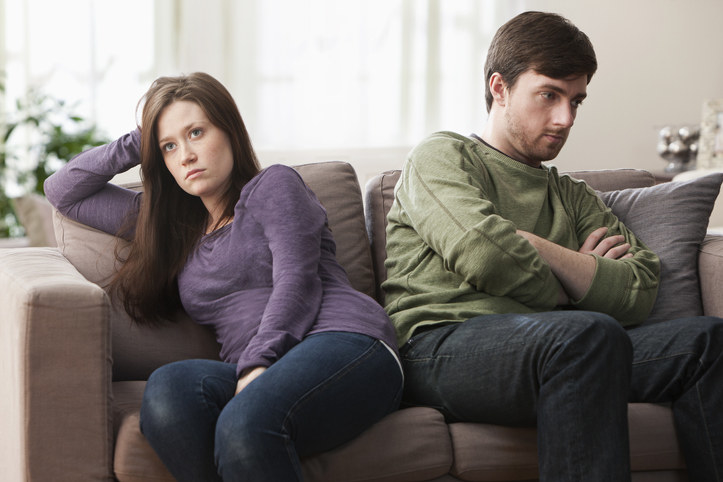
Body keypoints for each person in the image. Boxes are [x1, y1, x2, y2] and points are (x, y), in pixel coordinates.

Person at [383, 11, 723, 482]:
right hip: (441, 347)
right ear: (499, 87)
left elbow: (639, 288)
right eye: (549, 95)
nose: (565, 119)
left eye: (576, 101)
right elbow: (486, 255)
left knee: (708, 341)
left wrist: (533, 245)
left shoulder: (572, 195)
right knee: (588, 333)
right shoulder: (441, 156)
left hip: (565, 349)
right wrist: (578, 279)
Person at [44, 72, 402, 481]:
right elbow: (63, 190)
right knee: (167, 392)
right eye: (169, 146)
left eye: (196, 132)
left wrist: (257, 364)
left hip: (346, 343)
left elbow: (296, 281)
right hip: (263, 369)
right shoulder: (172, 229)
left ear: (229, 130)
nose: (186, 155)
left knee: (243, 423)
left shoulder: (273, 185)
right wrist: (140, 138)